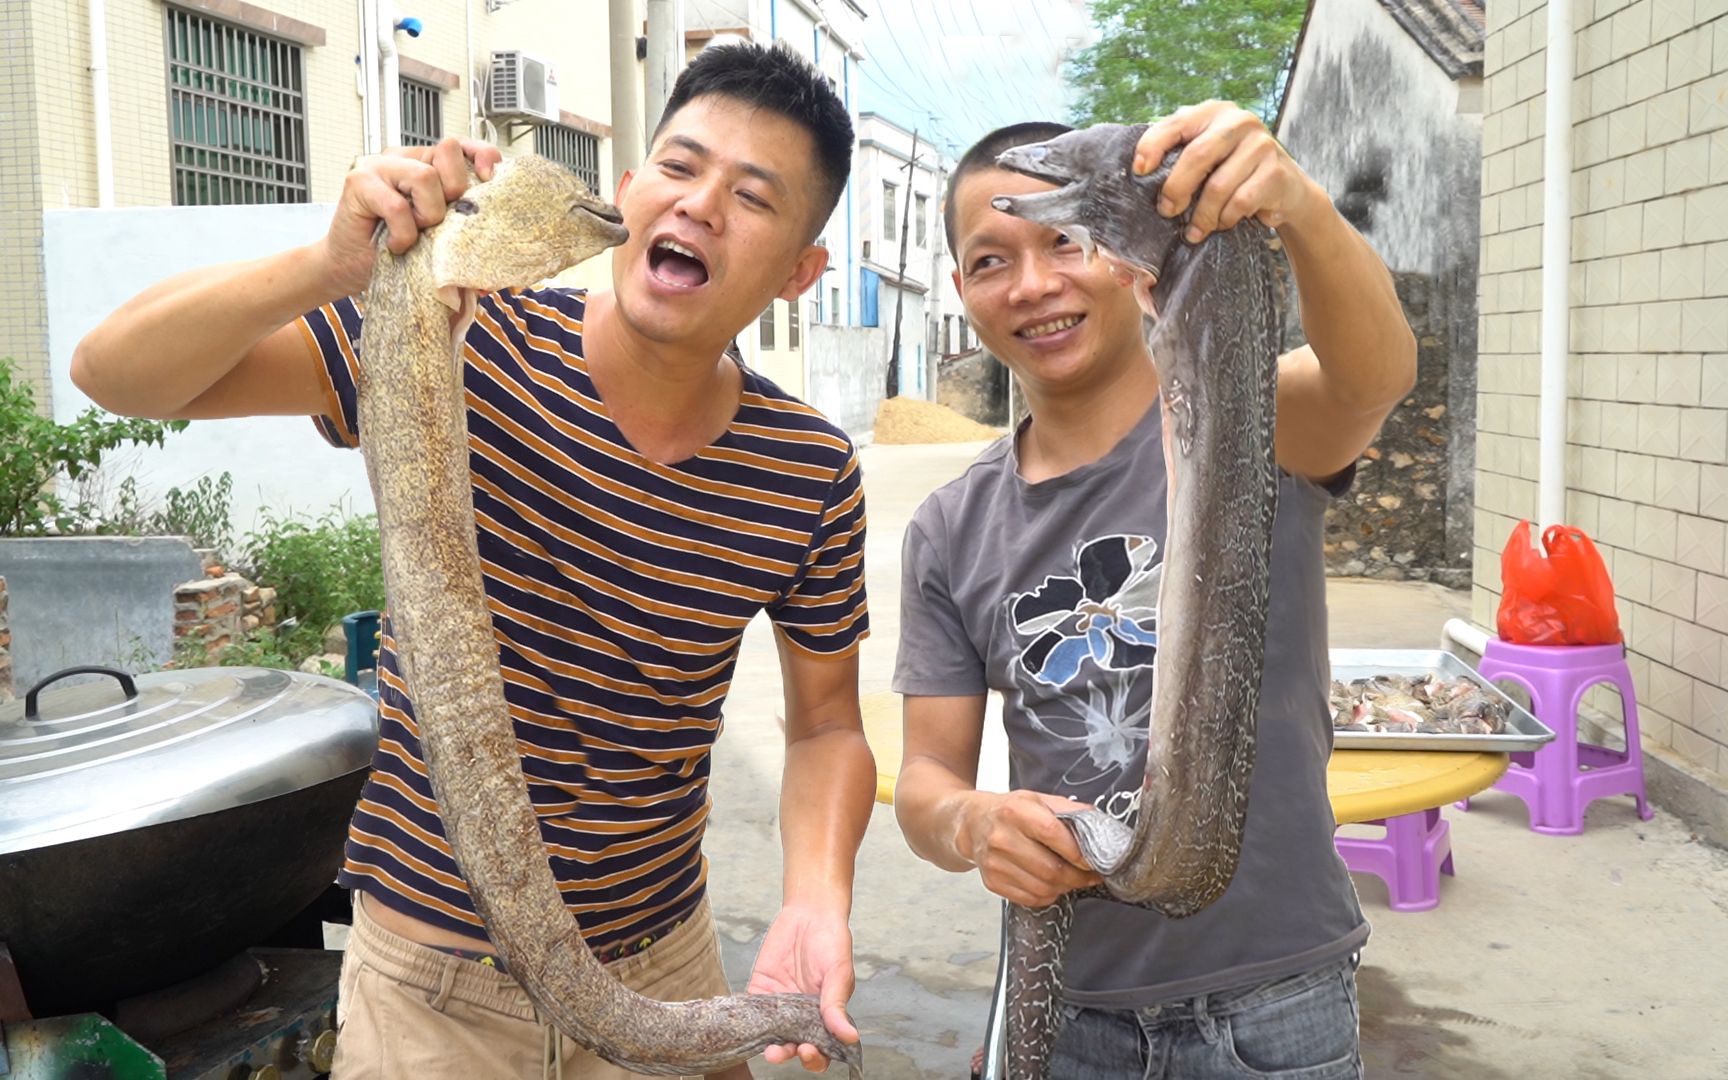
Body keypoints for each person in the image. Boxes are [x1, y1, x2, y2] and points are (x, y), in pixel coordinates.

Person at [74, 42, 873, 1080]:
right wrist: (328, 267)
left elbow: (825, 727)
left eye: (754, 197)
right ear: (627, 190)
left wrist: (815, 893)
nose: (701, 205)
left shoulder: (806, 469)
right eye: (679, 167)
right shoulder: (460, 330)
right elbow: (116, 373)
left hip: (660, 969)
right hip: (431, 991)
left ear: (803, 270)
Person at [892, 104, 1418, 1078]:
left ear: (1128, 252)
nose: (1036, 283)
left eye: (1064, 240)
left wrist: (1298, 206)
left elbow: (1373, 376)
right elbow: (926, 781)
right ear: (961, 289)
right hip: (1070, 1009)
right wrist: (973, 823)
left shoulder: (1250, 415)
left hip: (1278, 1002)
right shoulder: (949, 529)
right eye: (990, 259)